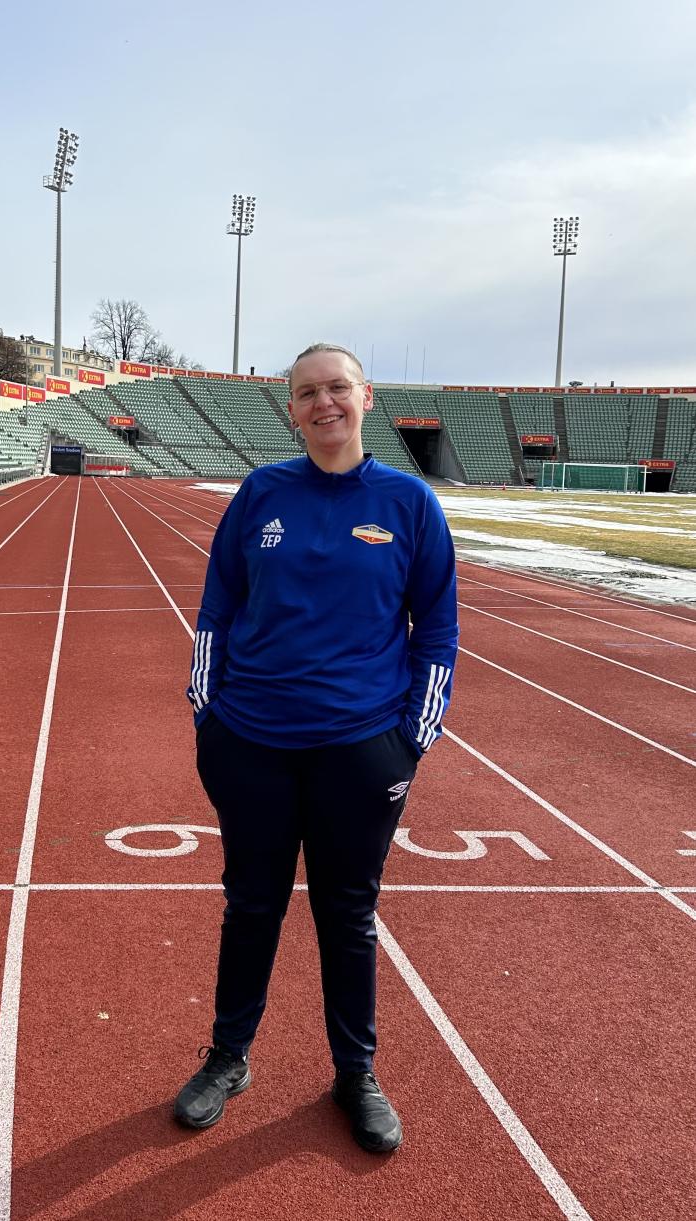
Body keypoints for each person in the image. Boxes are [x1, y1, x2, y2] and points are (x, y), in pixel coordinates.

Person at [174, 343, 459, 1153]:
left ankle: (355, 1073)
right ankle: (229, 1058)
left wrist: (409, 742)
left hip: (361, 752)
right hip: (252, 742)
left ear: (366, 397)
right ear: (291, 409)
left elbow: (436, 629)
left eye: (337, 388)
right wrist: (210, 720)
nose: (323, 403)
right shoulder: (262, 492)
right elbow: (216, 610)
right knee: (251, 905)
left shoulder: (408, 503)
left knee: (348, 914)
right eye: (307, 393)